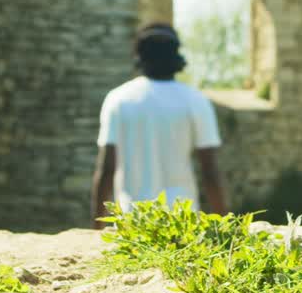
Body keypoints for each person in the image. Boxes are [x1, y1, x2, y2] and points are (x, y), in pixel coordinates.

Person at [91, 23, 228, 227]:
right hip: (182, 222)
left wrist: (96, 227)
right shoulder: (195, 101)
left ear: (139, 58)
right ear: (177, 58)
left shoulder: (118, 100)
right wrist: (225, 225)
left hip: (132, 222)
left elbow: (107, 169)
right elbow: (209, 171)